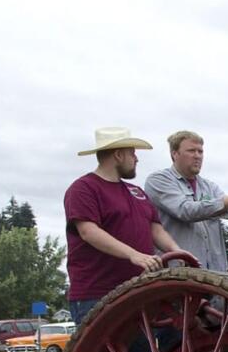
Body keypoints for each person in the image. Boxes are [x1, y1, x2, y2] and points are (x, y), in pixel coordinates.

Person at [65, 127, 182, 325]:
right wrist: (133, 255)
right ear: (118, 155)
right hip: (98, 295)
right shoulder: (83, 188)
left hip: (137, 291)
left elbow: (155, 229)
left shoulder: (136, 192)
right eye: (132, 153)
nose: (136, 159)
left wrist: (178, 252)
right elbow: (88, 231)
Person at [144, 130, 228, 272]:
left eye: (200, 151)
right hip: (177, 272)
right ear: (175, 154)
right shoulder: (158, 180)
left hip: (213, 272)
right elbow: (185, 210)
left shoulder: (209, 186)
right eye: (191, 151)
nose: (197, 156)